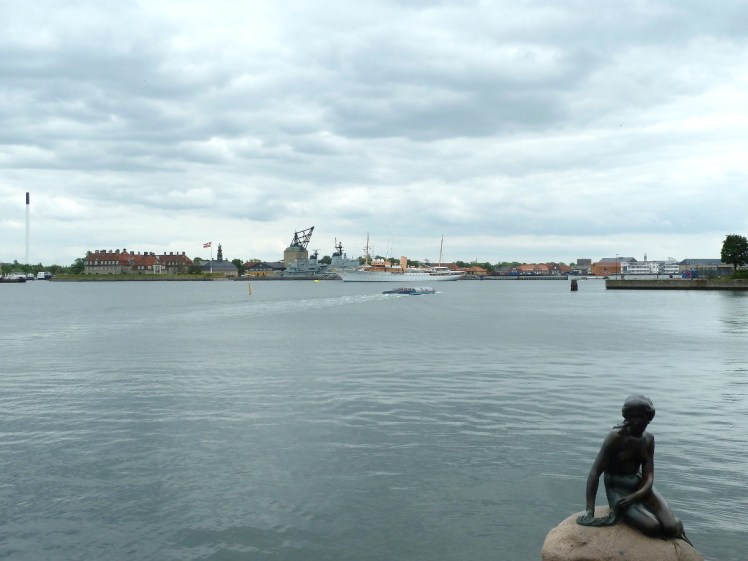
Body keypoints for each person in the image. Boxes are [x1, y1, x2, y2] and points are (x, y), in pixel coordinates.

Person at [577, 394, 691, 545]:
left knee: (671, 528)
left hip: (640, 487)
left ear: (649, 418)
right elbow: (594, 473)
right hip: (618, 490)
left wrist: (636, 496)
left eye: (642, 417)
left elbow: (648, 476)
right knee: (653, 527)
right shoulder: (615, 437)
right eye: (633, 416)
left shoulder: (649, 439)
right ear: (627, 417)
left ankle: (663, 520)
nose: (637, 421)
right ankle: (638, 513)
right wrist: (589, 510)